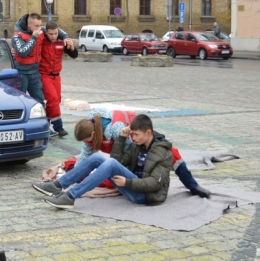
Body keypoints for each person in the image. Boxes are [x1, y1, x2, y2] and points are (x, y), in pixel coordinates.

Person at [33, 114, 173, 209]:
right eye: (132, 134)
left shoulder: (162, 152)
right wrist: (122, 138)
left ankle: (70, 196)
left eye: (136, 135)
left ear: (148, 133)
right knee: (97, 157)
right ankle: (58, 185)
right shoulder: (137, 145)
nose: (134, 138)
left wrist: (127, 182)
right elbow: (118, 161)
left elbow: (155, 183)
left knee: (110, 164)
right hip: (133, 185)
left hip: (146, 196)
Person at [73, 108, 211, 198]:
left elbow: (129, 155)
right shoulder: (90, 132)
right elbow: (86, 156)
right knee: (113, 181)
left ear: (93, 133)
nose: (86, 143)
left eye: (86, 139)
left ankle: (192, 185)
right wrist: (76, 174)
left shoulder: (118, 129)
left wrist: (130, 181)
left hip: (135, 133)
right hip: (123, 146)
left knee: (171, 153)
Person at [11, 13, 71, 111]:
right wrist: (33, 38)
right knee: (20, 101)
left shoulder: (39, 30)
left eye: (40, 25)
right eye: (37, 26)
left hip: (35, 72)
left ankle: (42, 123)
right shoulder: (17, 35)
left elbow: (55, 30)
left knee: (39, 101)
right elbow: (23, 52)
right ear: (29, 24)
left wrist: (65, 37)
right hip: (22, 73)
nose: (39, 28)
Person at [40, 21, 78, 138]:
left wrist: (71, 46)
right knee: (52, 98)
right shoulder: (41, 41)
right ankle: (58, 126)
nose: (53, 36)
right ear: (46, 33)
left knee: (57, 100)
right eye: (51, 34)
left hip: (56, 75)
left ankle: (44, 125)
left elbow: (74, 55)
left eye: (56, 33)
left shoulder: (61, 42)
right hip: (44, 74)